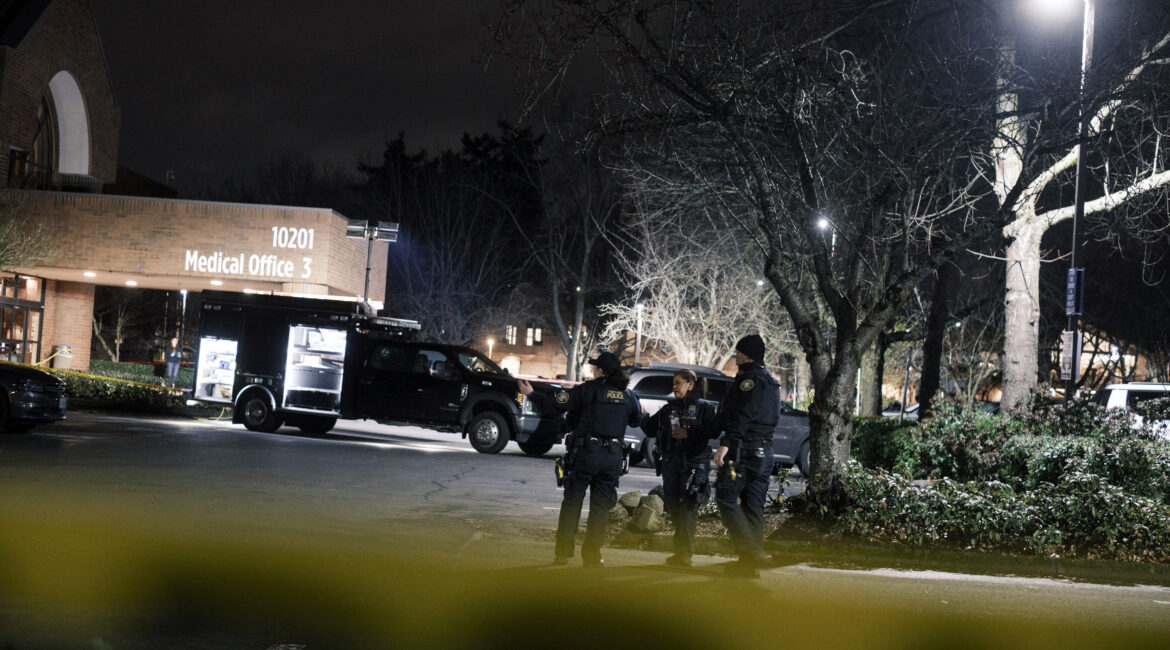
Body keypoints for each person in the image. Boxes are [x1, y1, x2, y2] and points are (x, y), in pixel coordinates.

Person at [519, 351, 641, 567]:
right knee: (600, 510)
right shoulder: (629, 396)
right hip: (612, 458)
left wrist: (531, 393)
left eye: (595, 368)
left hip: (586, 455)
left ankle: (563, 554)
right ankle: (592, 556)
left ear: (601, 371)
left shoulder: (587, 390)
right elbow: (636, 420)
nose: (593, 371)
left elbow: (555, 405)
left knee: (572, 503)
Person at [713, 333, 779, 577]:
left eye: (738, 352)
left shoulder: (748, 381)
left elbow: (743, 414)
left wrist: (726, 444)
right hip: (764, 451)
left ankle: (752, 551)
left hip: (744, 449)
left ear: (747, 355)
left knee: (725, 496)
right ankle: (748, 566)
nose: (735, 356)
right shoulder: (771, 381)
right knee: (753, 507)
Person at [640, 368, 719, 567]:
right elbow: (650, 428)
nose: (674, 387)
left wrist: (689, 434)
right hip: (671, 462)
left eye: (678, 383)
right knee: (674, 505)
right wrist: (642, 415)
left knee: (689, 506)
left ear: (690, 384)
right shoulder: (669, 408)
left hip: (694, 462)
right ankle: (680, 550)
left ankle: (684, 553)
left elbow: (713, 431)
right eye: (673, 383)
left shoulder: (704, 408)